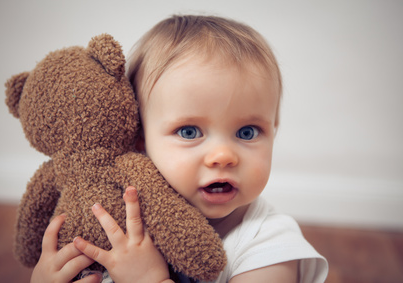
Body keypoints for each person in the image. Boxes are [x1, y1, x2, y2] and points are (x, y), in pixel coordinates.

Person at [31, 15, 328, 283]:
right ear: (141, 139)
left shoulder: (269, 244)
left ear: (273, 130)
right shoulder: (119, 218)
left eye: (247, 132)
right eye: (189, 132)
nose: (223, 156)